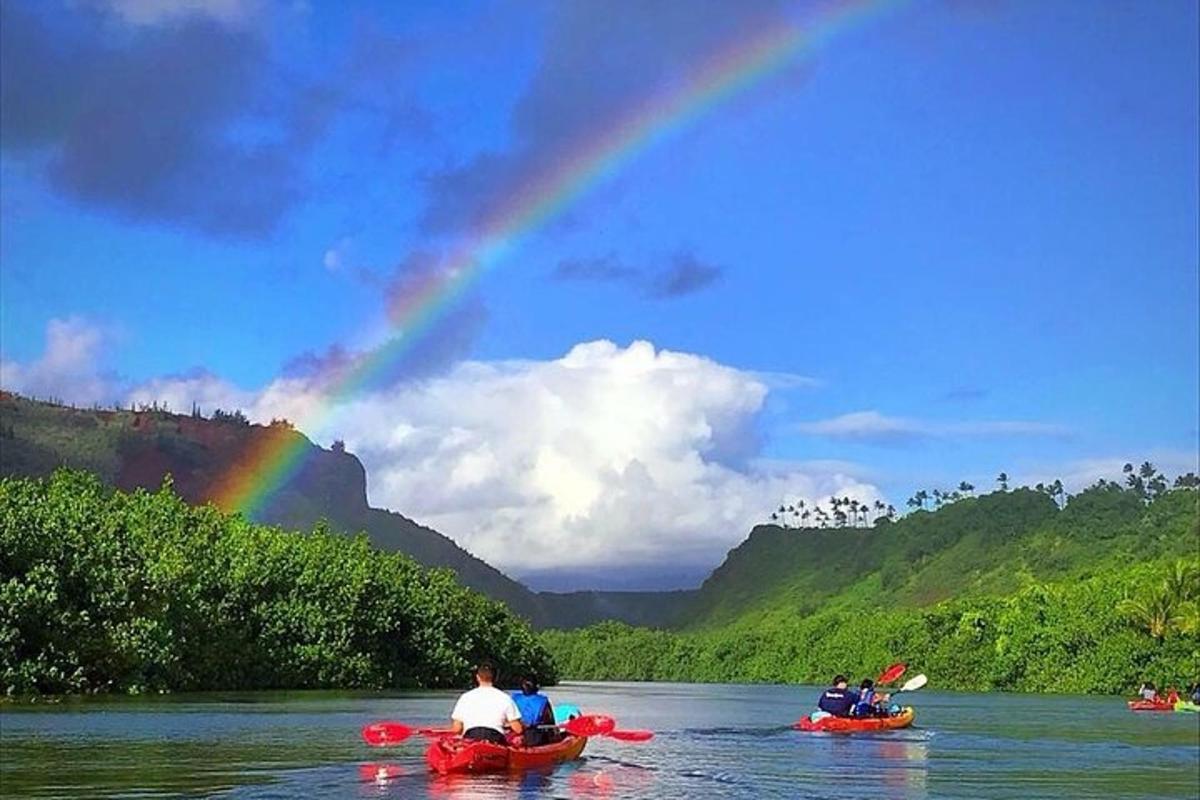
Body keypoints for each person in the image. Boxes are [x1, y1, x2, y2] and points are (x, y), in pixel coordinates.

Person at [449, 662, 523, 745]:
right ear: (495, 678)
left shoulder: (465, 697)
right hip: (495, 738)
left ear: (477, 677)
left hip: (471, 737)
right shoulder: (505, 697)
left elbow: (457, 729)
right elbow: (518, 729)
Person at [511, 677, 560, 746]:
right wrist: (556, 734)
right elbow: (550, 722)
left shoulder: (514, 698)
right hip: (534, 737)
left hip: (514, 732)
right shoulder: (543, 701)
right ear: (536, 687)